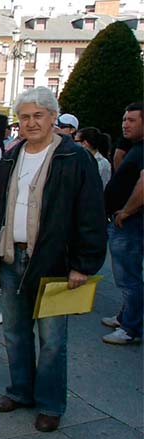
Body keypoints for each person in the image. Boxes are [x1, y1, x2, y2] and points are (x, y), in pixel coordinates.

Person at [0, 87, 106, 432]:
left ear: (54, 117)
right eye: (24, 117)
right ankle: (20, 391)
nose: (31, 122)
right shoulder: (11, 155)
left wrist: (84, 263)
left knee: (52, 340)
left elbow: (91, 214)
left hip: (54, 261)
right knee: (14, 331)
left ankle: (51, 403)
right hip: (12, 256)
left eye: (39, 115)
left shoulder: (75, 158)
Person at [102, 102, 144, 345]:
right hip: (124, 221)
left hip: (129, 223)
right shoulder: (135, 148)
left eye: (131, 120)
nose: (125, 124)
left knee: (128, 277)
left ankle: (131, 328)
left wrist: (126, 212)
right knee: (127, 275)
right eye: (124, 119)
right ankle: (126, 316)